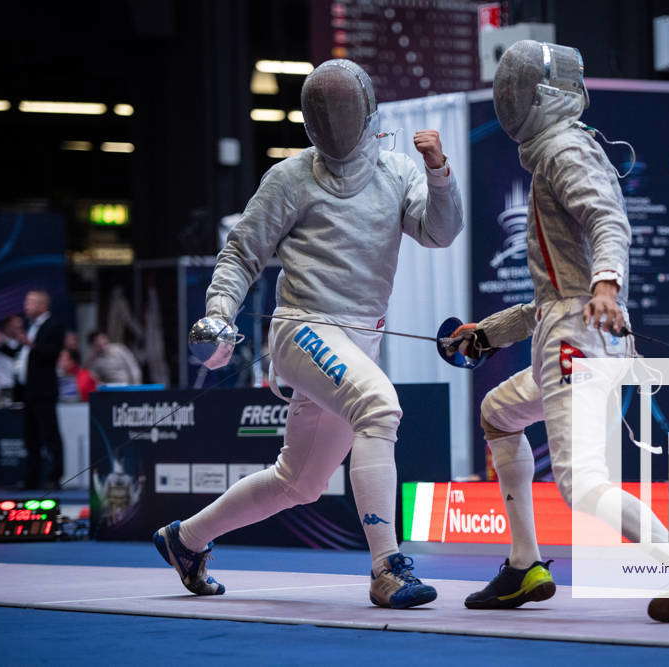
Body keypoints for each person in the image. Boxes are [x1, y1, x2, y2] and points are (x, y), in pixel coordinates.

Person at [449, 40, 669, 622]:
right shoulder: (556, 152)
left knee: (581, 484)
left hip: (577, 339)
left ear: (542, 97)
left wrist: (607, 284)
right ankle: (524, 562)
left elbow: (607, 220)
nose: (506, 100)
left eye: (515, 90)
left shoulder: (563, 150)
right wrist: (486, 334)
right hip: (570, 331)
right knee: (497, 411)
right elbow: (554, 297)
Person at [153, 58, 463, 609]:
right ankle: (387, 568)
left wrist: (438, 170)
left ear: (367, 112)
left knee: (299, 481)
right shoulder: (290, 177)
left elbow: (439, 233)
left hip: (359, 339)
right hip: (302, 333)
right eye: (327, 112)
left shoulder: (398, 171)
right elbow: (241, 253)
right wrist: (220, 312)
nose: (337, 121)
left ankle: (185, 539)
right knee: (379, 407)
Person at [14, 290, 66, 489]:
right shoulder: (31, 327)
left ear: (43, 305)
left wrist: (30, 344)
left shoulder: (54, 325)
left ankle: (55, 477)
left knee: (50, 435)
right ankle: (32, 478)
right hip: (29, 391)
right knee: (30, 437)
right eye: (26, 302)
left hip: (44, 391)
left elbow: (51, 353)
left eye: (30, 302)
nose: (26, 306)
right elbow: (25, 356)